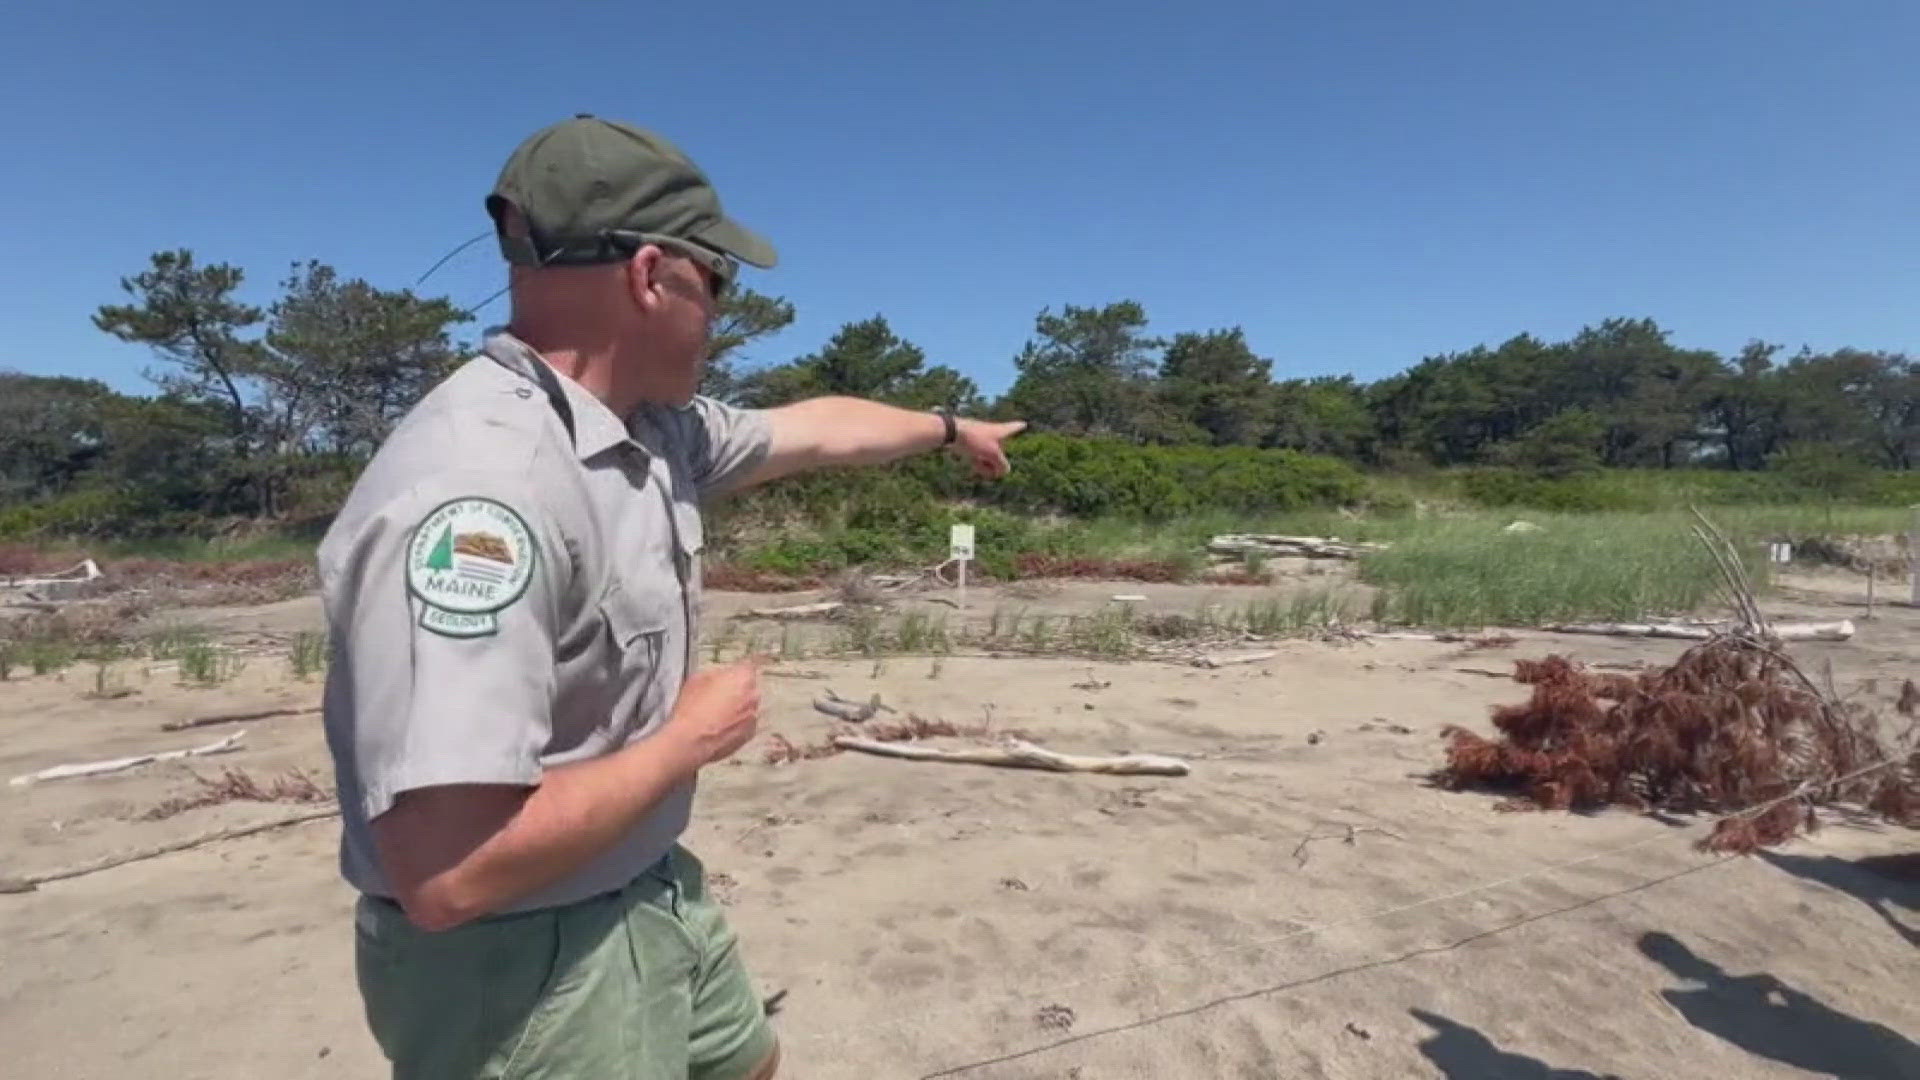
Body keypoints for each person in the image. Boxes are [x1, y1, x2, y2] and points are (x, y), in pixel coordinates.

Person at [317, 114, 1026, 1080]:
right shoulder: (483, 493)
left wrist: (950, 427)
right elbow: (450, 871)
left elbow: (814, 430)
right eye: (716, 282)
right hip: (523, 960)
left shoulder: (649, 430)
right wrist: (684, 744)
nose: (721, 314)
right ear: (653, 276)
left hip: (644, 885)